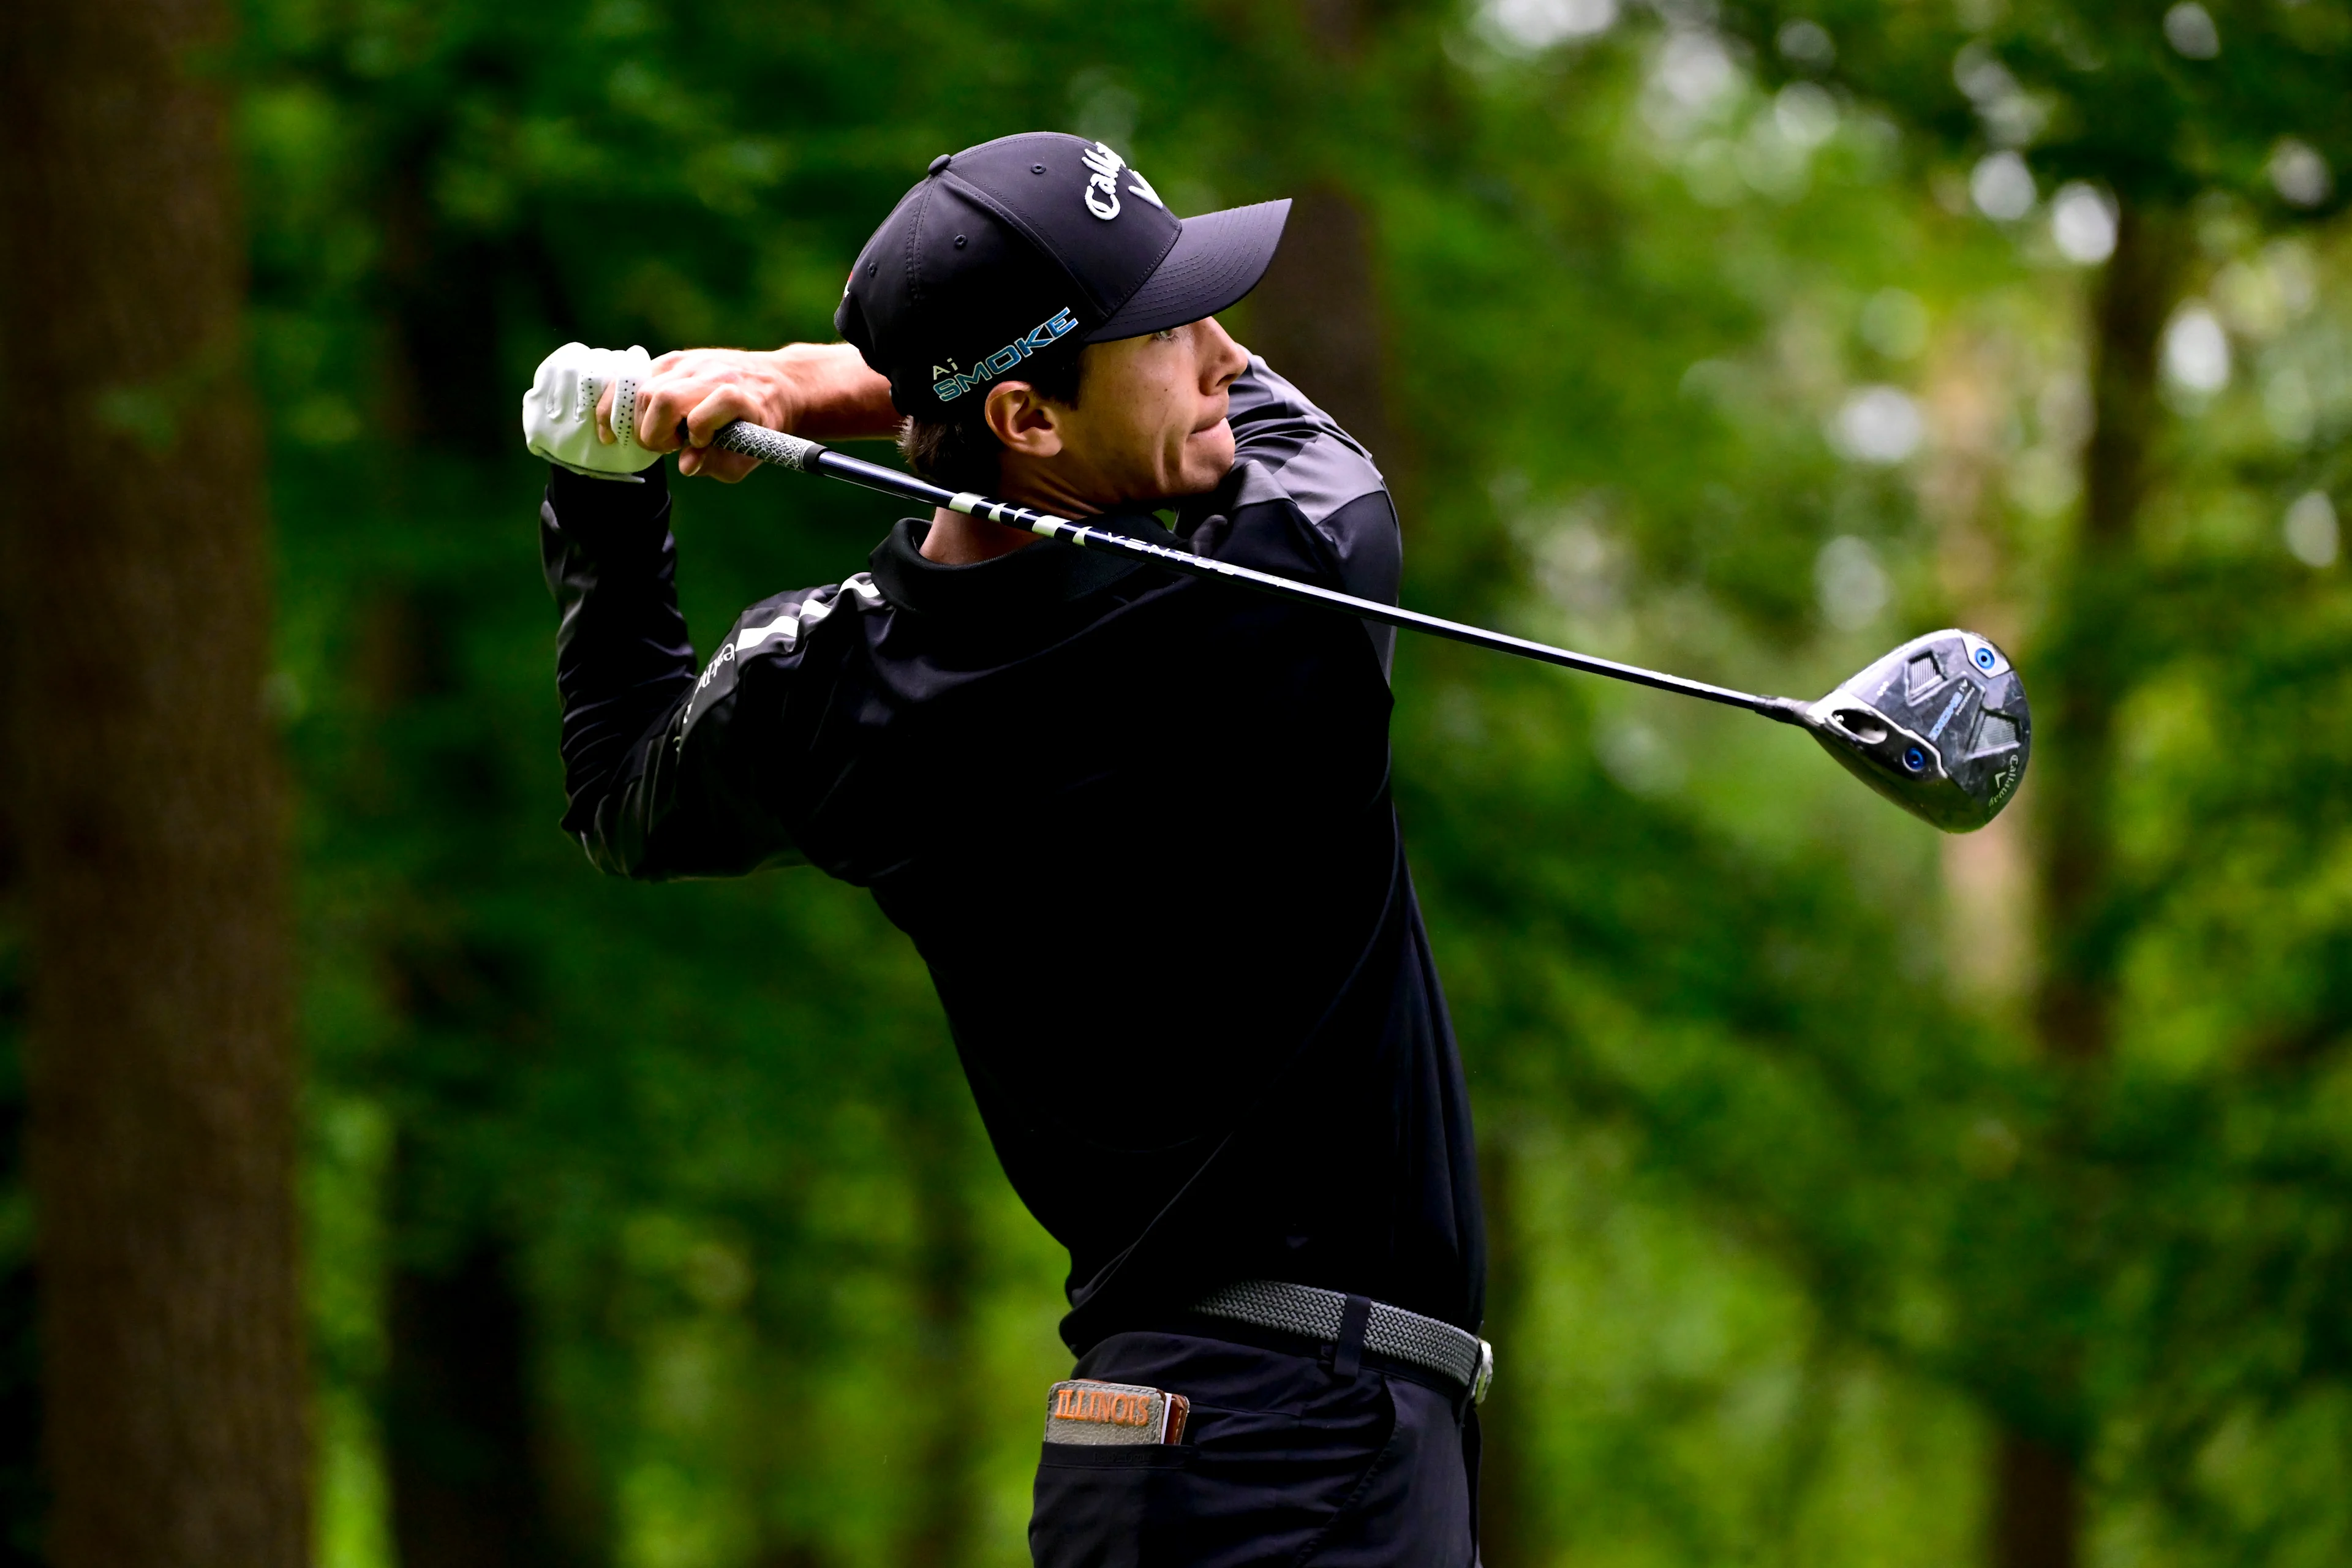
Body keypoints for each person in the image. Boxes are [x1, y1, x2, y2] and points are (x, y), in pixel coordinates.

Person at [524, 131, 1487, 1566]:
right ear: (1033, 422)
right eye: (1173, 330)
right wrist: (807, 380)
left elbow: (619, 785)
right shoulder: (1289, 582)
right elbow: (1281, 429)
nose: (1227, 355)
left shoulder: (830, 692)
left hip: (1148, 1450)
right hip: (1309, 1441)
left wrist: (599, 484)